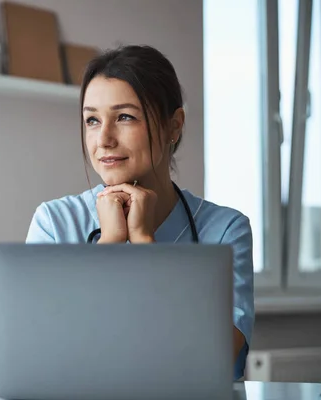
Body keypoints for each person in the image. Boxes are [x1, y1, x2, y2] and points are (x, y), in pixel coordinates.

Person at [25, 45, 254, 380]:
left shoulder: (224, 229)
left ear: (174, 126)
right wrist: (112, 243)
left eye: (125, 117)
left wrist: (145, 244)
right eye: (92, 120)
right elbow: (42, 356)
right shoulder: (55, 223)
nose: (103, 139)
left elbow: (215, 358)